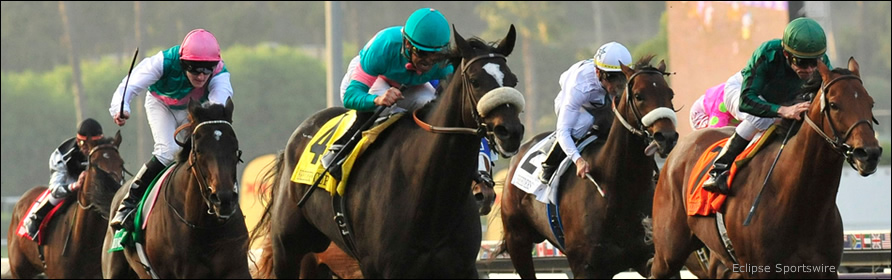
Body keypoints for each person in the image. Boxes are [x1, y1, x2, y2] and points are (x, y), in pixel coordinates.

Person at [328, 8, 496, 188]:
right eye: (422, 54)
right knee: (385, 109)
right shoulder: (383, 47)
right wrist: (377, 100)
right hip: (374, 79)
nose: (428, 63)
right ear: (407, 45)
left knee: (431, 109)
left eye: (436, 57)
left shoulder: (442, 63)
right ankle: (339, 150)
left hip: (409, 82)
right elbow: (351, 96)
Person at [108, 28, 233, 231]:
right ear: (183, 62)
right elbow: (130, 84)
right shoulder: (163, 62)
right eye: (195, 69)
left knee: (212, 147)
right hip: (161, 105)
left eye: (207, 69)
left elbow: (218, 103)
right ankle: (129, 203)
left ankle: (225, 195)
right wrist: (121, 108)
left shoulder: (219, 72)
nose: (201, 76)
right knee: (167, 152)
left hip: (194, 109)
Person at [702, 17, 831, 194]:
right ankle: (718, 169)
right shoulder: (768, 53)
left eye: (814, 62)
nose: (809, 70)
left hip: (781, 103)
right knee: (761, 119)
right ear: (787, 55)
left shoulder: (823, 64)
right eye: (801, 62)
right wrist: (783, 110)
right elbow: (747, 100)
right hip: (741, 91)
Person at [539, 42, 633, 184]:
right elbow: (563, 131)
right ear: (598, 72)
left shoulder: (613, 79)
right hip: (579, 105)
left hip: (600, 103)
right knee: (586, 122)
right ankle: (549, 163)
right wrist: (578, 160)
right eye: (612, 79)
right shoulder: (579, 87)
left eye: (622, 78)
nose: (617, 85)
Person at [22, 118, 103, 240]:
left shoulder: (105, 151)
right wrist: (75, 185)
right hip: (69, 176)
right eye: (84, 144)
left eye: (93, 145)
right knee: (60, 194)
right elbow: (55, 189)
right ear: (78, 141)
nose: (88, 149)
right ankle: (36, 218)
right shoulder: (63, 156)